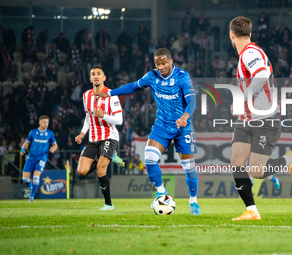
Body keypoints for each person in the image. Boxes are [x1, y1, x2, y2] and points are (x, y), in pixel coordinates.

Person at [95, 48, 201, 215]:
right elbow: (133, 86)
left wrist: (185, 116)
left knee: (189, 167)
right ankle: (161, 192)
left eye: (164, 63)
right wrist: (110, 93)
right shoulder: (151, 76)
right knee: (150, 158)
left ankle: (193, 202)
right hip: (162, 126)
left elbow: (192, 101)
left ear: (171, 61)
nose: (160, 67)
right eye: (157, 64)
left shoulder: (182, 76)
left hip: (183, 127)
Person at [229, 17, 292, 220]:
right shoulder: (248, 53)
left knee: (257, 171)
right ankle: (252, 210)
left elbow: (260, 76)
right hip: (247, 120)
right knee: (236, 160)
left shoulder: (250, 53)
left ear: (231, 35)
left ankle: (288, 159)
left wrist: (241, 98)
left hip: (266, 120)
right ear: (250, 33)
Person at [75, 66, 124, 211]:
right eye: (93, 74)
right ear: (90, 79)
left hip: (109, 136)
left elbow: (119, 120)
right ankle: (110, 156)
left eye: (99, 74)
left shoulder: (111, 95)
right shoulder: (85, 96)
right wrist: (83, 133)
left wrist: (103, 116)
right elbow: (88, 117)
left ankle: (108, 204)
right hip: (93, 138)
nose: (96, 76)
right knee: (82, 171)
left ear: (104, 78)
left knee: (101, 170)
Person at [20, 115, 58, 202]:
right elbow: (26, 142)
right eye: (44, 122)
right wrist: (22, 149)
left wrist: (53, 149)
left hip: (41, 158)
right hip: (31, 157)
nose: (46, 124)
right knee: (25, 178)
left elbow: (55, 144)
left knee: (36, 177)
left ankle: (32, 196)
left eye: (47, 122)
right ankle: (30, 187)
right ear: (39, 122)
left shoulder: (50, 133)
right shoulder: (33, 132)